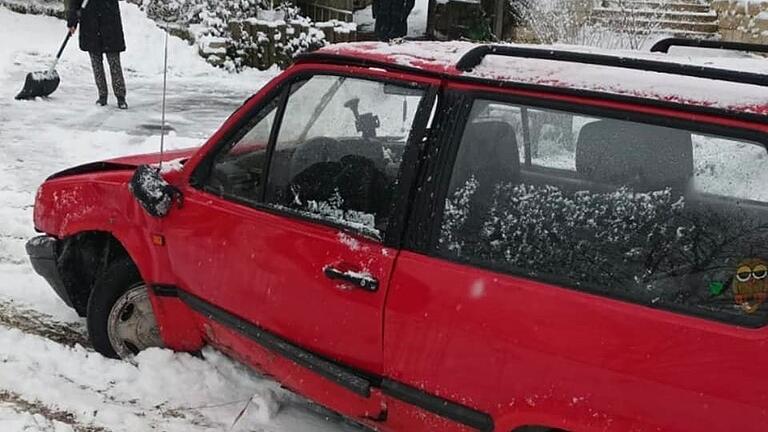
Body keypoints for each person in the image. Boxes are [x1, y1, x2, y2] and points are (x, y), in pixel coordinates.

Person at [67, 0, 128, 109]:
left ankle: (120, 96)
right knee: (96, 64)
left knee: (114, 63)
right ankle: (102, 95)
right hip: (90, 25)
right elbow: (74, 3)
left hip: (110, 23)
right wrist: (72, 22)